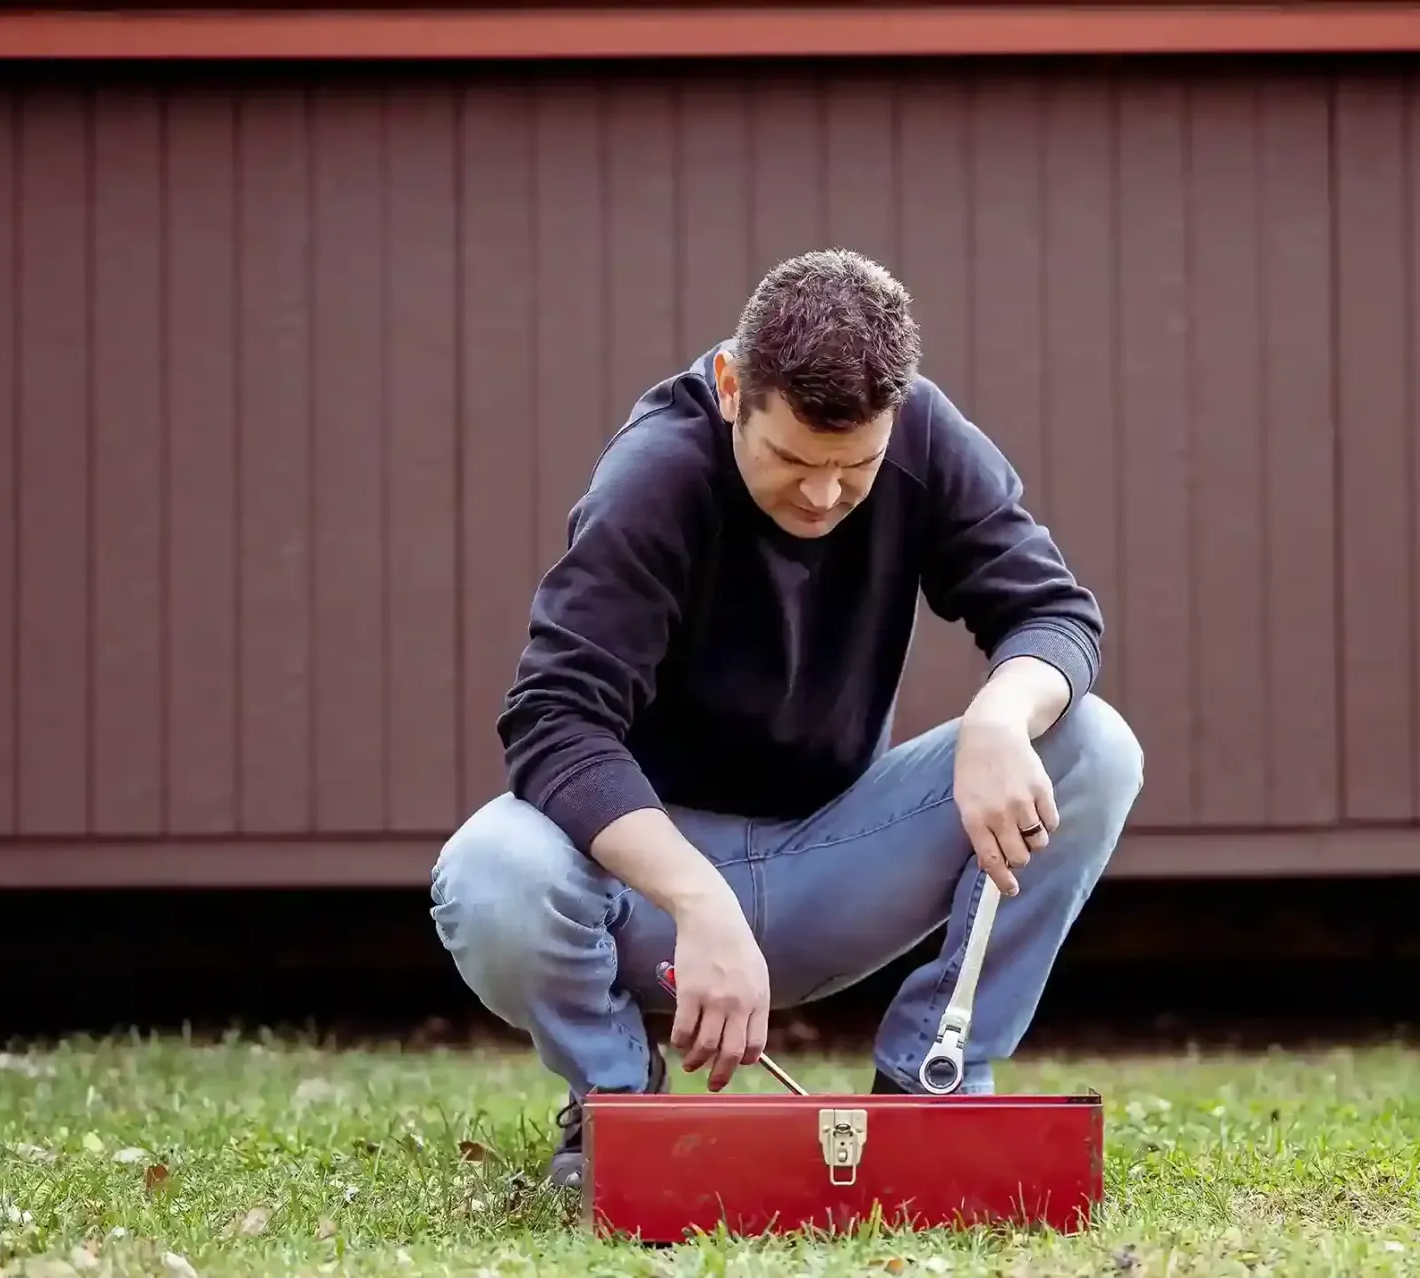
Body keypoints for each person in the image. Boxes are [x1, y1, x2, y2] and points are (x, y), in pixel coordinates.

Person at [428, 249, 1144, 1190]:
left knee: (1092, 743)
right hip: (650, 896)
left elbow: (1053, 612)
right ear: (731, 388)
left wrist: (1000, 720)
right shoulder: (654, 477)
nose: (821, 496)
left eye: (856, 467)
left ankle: (932, 1082)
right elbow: (555, 719)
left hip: (837, 860)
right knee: (489, 872)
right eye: (792, 459)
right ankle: (613, 1106)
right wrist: (696, 898)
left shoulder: (925, 435)